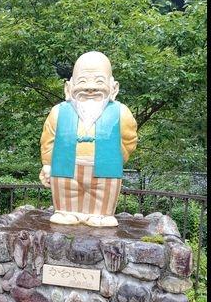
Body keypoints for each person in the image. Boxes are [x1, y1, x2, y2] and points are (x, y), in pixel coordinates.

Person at [39, 51, 137, 226]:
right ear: (68, 88)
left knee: (103, 194)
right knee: (66, 192)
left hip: (106, 169)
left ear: (113, 88)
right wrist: (47, 164)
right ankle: (66, 211)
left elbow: (129, 140)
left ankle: (101, 214)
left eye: (99, 82)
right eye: (83, 82)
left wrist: (116, 157)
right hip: (65, 167)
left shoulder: (121, 112)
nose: (90, 88)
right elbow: (48, 139)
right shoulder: (59, 111)